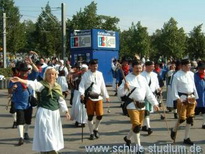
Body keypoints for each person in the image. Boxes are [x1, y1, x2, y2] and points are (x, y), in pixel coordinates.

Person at [10, 67, 71, 153]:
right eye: (49, 74)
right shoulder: (42, 85)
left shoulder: (57, 87)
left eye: (52, 74)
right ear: (45, 75)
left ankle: (49, 149)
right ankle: (51, 149)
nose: (51, 76)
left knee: (53, 132)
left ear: (55, 75)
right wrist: (20, 80)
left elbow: (61, 100)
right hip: (44, 112)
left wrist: (66, 111)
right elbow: (31, 84)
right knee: (45, 131)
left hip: (55, 113)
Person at [118, 60, 159, 147]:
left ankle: (127, 138)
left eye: (140, 68)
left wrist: (155, 103)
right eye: (136, 68)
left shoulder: (143, 79)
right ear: (132, 67)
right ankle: (138, 146)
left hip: (141, 104)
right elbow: (120, 93)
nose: (138, 70)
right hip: (131, 104)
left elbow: (148, 93)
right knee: (136, 126)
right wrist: (124, 88)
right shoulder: (127, 79)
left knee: (138, 126)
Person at [79, 59, 110, 140]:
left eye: (96, 66)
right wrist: (82, 94)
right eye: (93, 66)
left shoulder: (100, 74)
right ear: (90, 66)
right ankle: (91, 133)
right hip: (89, 98)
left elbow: (102, 85)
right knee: (90, 116)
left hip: (99, 97)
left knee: (100, 115)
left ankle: (96, 129)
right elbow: (81, 85)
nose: (95, 67)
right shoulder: (86, 75)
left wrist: (106, 95)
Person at [170, 59, 198, 145]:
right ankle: (174, 129)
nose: (189, 67)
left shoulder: (191, 74)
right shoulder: (177, 75)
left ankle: (186, 137)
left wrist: (196, 97)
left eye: (190, 65)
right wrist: (177, 99)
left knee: (190, 118)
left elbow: (193, 86)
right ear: (182, 66)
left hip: (191, 97)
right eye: (187, 65)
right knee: (182, 118)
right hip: (182, 98)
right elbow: (173, 88)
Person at [8, 62, 33, 146]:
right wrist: (13, 88)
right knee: (20, 120)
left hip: (28, 103)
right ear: (19, 71)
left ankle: (25, 132)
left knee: (28, 121)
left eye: (26, 70)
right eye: (23, 71)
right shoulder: (14, 79)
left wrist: (32, 62)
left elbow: (38, 72)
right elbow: (9, 91)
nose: (25, 72)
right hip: (19, 103)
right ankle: (21, 137)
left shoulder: (30, 78)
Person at [141, 61, 160, 135]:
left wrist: (158, 88)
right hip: (144, 95)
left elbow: (156, 84)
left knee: (147, 111)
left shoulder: (155, 75)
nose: (153, 67)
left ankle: (144, 125)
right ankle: (148, 127)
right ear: (147, 66)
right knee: (146, 111)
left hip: (152, 94)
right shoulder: (142, 75)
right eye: (152, 66)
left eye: (153, 65)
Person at [194, 61, 205, 129]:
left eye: (203, 69)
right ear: (198, 69)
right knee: (194, 111)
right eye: (201, 68)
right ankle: (191, 121)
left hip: (204, 96)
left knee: (204, 111)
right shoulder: (194, 76)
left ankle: (204, 123)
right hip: (197, 96)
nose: (202, 70)